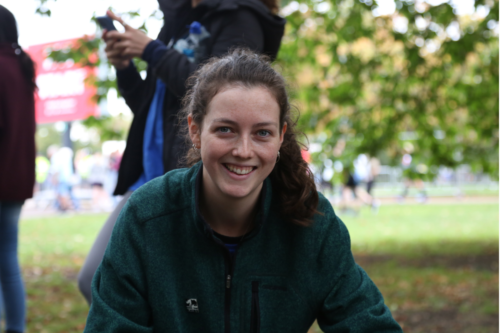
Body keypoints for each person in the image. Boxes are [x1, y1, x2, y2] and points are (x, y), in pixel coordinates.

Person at [84, 49, 402, 332]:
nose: (243, 150)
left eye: (262, 133)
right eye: (226, 130)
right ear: (195, 130)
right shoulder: (146, 219)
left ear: (281, 137)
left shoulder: (312, 225)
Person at [77, 0, 286, 304]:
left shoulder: (240, 17)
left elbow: (222, 98)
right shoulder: (177, 22)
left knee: (183, 300)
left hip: (195, 182)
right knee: (95, 280)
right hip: (147, 180)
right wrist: (125, 67)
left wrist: (151, 51)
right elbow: (151, 108)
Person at [0, 5, 37, 333]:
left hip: (3, 180)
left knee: (6, 262)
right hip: (16, 180)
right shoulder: (20, 68)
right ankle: (15, 327)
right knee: (6, 260)